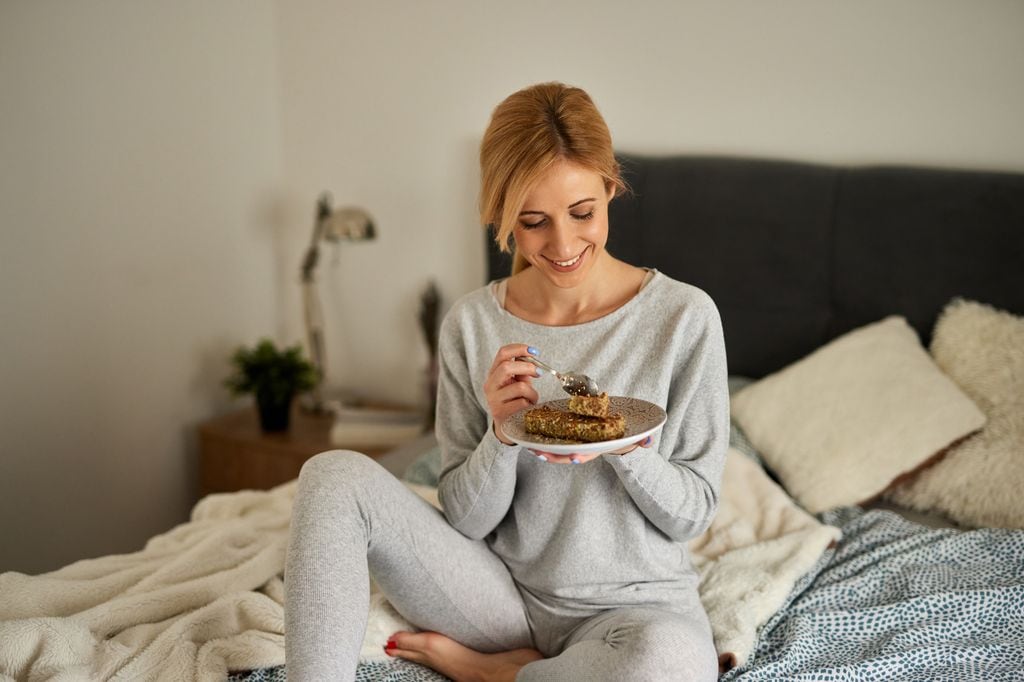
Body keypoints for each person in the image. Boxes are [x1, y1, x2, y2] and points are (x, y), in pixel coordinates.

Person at [284, 82, 729, 681]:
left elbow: (693, 514)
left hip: (633, 609)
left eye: (582, 213)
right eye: (534, 221)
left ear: (609, 187)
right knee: (332, 475)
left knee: (672, 665)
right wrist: (501, 435)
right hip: (495, 596)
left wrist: (626, 445)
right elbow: (466, 522)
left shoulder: (682, 317)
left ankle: (501, 675)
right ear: (502, 215)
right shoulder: (472, 323)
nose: (564, 244)